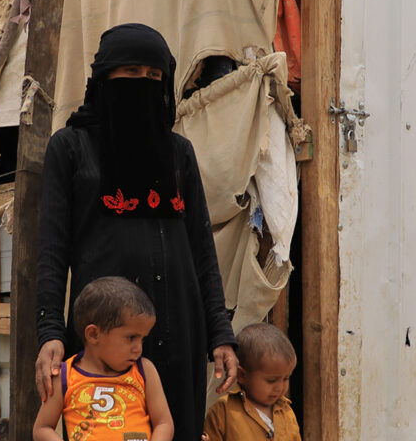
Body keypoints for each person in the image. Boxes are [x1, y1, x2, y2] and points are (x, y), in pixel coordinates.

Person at [36, 23, 238, 440]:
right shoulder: (70, 148)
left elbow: (202, 249)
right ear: (104, 78)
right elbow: (52, 251)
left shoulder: (179, 152)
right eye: (130, 74)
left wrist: (220, 334)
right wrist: (50, 332)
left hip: (180, 328)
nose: (143, 85)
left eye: (154, 77)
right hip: (106, 336)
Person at [33, 276, 174, 441]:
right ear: (93, 334)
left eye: (142, 339)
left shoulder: (144, 370)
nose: (139, 349)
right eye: (131, 338)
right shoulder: (65, 376)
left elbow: (164, 423)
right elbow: (42, 429)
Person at [203, 323, 301, 441]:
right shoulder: (223, 411)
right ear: (242, 375)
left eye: (285, 378)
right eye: (271, 381)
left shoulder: (287, 412)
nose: (280, 387)